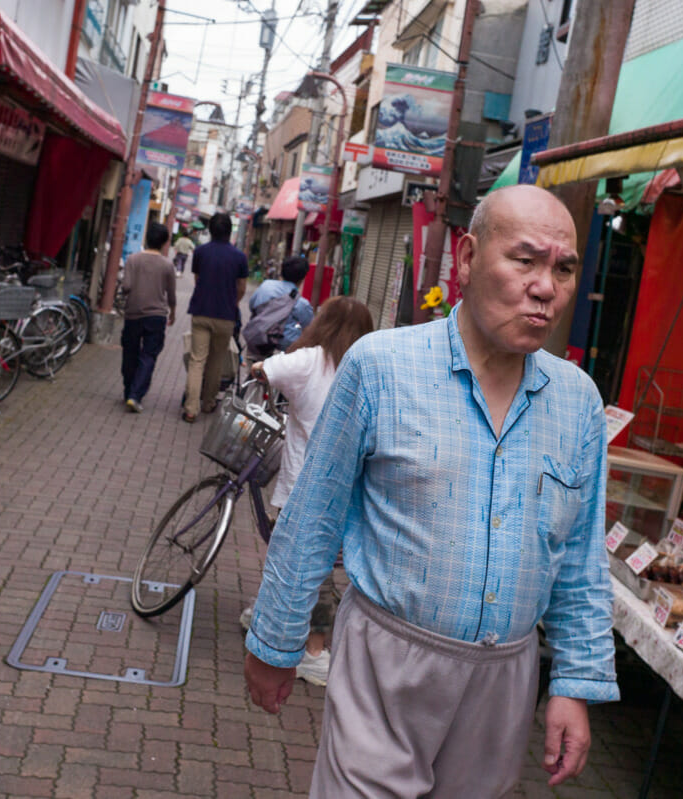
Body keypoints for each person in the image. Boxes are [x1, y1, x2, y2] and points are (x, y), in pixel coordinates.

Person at [243, 184, 618, 797]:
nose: (546, 286)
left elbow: (579, 559)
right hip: (386, 664)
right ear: (466, 259)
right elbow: (313, 517)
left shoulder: (577, 401)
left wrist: (575, 684)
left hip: (505, 680)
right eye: (524, 260)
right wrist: (276, 641)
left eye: (564, 268)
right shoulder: (380, 367)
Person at [245, 296, 375, 686]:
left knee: (308, 570)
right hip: (348, 490)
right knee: (310, 563)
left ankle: (313, 652)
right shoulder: (367, 368)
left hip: (303, 483)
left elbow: (261, 368)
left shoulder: (309, 360)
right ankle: (269, 620)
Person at [183, 212, 248, 423]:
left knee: (197, 360)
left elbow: (197, 279)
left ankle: (191, 408)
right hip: (225, 315)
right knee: (216, 361)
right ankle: (208, 402)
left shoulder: (201, 252)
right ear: (230, 231)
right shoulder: (239, 257)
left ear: (210, 230)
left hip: (201, 311)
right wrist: (234, 302)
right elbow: (242, 287)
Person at [120, 222, 176, 413]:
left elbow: (126, 286)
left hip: (133, 313)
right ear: (164, 242)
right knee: (148, 355)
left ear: (146, 238)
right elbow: (171, 293)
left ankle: (128, 391)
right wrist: (174, 312)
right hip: (156, 316)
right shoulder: (168, 264)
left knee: (130, 353)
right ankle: (135, 396)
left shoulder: (132, 259)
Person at [246, 255, 315, 357]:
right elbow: (309, 328)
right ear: (303, 278)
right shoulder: (301, 303)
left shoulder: (266, 285)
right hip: (283, 350)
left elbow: (252, 305)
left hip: (257, 339)